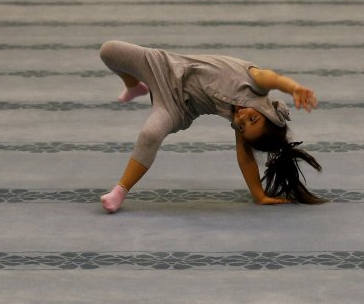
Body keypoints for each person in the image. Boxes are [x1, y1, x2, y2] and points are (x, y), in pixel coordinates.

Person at [97, 40, 324, 214]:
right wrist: (294, 88)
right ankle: (135, 86)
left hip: (176, 107)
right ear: (267, 112)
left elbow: (245, 158)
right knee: (109, 51)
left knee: (150, 134)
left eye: (243, 127)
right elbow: (273, 78)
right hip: (166, 66)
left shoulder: (238, 119)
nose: (242, 118)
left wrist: (259, 195)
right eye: (252, 118)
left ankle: (120, 191)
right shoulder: (255, 83)